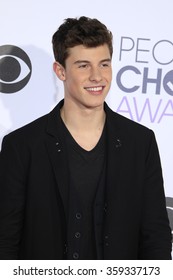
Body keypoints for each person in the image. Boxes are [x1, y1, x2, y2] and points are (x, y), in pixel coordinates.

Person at [0, 16, 172, 260]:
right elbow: (5, 241)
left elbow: (156, 236)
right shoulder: (22, 145)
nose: (97, 77)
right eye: (83, 65)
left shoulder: (140, 142)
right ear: (60, 71)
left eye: (104, 64)